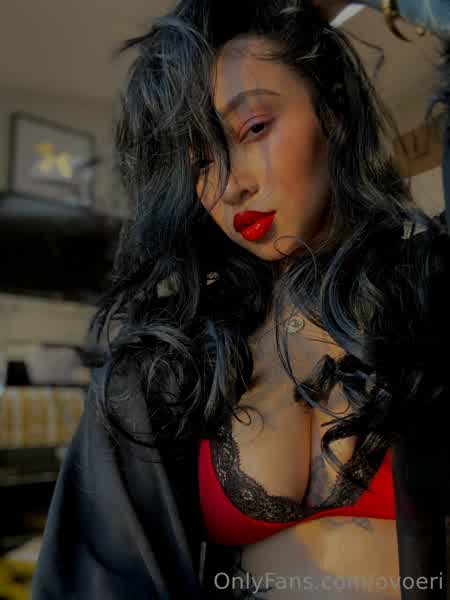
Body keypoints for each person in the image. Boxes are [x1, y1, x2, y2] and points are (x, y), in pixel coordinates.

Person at [32, 1, 450, 598]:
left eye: (254, 128)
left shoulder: (433, 292)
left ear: (332, 109)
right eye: (200, 162)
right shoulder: (165, 373)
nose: (231, 185)